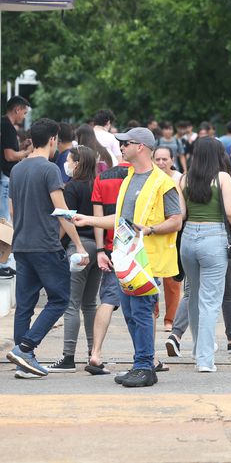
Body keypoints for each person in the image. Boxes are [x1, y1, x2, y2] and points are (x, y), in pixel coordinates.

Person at [74, 127, 184, 387]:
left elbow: (176, 220)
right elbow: (121, 219)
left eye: (126, 143)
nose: (121, 147)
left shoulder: (162, 182)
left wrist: (150, 229)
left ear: (141, 147)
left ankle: (144, 366)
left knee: (143, 312)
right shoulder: (129, 178)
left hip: (148, 260)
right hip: (128, 257)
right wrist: (87, 219)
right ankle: (141, 364)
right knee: (132, 313)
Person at [6, 119, 89, 378]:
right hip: (45, 245)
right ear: (53, 139)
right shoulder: (50, 169)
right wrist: (77, 245)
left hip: (21, 245)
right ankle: (26, 348)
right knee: (59, 298)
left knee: (25, 305)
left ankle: (23, 362)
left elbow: (11, 210)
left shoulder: (18, 169)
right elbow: (62, 212)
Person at [180, 137, 231, 372]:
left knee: (194, 295)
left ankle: (199, 347)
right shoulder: (223, 178)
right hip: (214, 237)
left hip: (188, 238)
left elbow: (181, 214)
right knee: (210, 301)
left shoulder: (184, 179)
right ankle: (205, 360)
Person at [47, 147, 104, 372]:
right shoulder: (96, 185)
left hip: (77, 248)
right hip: (97, 248)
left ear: (78, 163)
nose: (66, 164)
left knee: (72, 304)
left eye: (69, 160)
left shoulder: (71, 188)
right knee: (90, 304)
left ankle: (68, 357)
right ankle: (93, 353)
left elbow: (65, 221)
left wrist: (54, 245)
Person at [86, 159, 132, 375]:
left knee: (107, 300)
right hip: (139, 248)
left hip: (112, 248)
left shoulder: (101, 178)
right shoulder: (142, 176)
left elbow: (98, 219)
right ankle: (149, 356)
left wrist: (100, 250)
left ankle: (95, 353)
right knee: (146, 302)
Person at [0, 96, 32, 278]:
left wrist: (21, 147)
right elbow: (10, 155)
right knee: (4, 220)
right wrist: (26, 152)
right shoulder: (7, 126)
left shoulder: (5, 125)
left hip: (4, 176)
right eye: (24, 112)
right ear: (17, 109)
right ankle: (2, 263)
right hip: (5, 177)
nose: (24, 116)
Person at [153, 147, 183, 331]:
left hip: (174, 233)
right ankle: (152, 313)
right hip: (153, 232)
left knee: (172, 279)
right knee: (152, 277)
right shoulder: (149, 177)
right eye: (158, 159)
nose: (161, 163)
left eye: (165, 159)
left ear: (172, 160)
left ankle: (170, 319)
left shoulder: (179, 179)